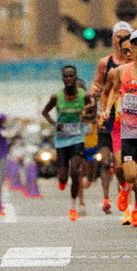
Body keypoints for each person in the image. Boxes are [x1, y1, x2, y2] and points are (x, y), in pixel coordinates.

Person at [99, 28, 137, 232]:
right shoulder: (120, 72)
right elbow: (114, 91)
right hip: (129, 131)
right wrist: (106, 110)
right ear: (130, 50)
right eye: (135, 45)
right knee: (131, 176)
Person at [41, 64, 94, 220]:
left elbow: (92, 111)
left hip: (78, 138)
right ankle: (62, 180)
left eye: (72, 76)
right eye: (66, 76)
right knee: (64, 176)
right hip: (62, 140)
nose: (69, 79)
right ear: (62, 79)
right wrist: (54, 123)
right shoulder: (56, 97)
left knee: (75, 172)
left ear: (75, 77)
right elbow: (45, 112)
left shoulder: (83, 95)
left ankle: (73, 206)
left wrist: (87, 118)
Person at [91, 21, 133, 215]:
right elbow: (100, 89)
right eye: (118, 36)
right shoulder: (106, 63)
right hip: (112, 120)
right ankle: (110, 196)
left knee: (131, 163)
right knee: (111, 162)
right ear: (113, 39)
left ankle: (129, 196)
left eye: (125, 36)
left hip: (135, 120)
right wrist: (102, 109)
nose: (121, 40)